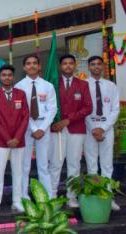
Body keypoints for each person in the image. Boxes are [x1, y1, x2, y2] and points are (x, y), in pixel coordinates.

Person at [14, 55, 57, 201]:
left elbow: (53, 109)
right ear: (24, 67)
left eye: (34, 63)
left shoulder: (48, 86)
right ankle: (23, 196)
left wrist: (42, 128)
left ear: (39, 66)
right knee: (25, 165)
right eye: (28, 63)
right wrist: (33, 128)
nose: (31, 66)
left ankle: (48, 197)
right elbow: (21, 111)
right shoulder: (18, 86)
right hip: (26, 128)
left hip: (44, 127)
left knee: (43, 165)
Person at [0, 64, 29, 213]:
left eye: (9, 75)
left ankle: (17, 201)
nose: (7, 77)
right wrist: (7, 139)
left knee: (18, 172)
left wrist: (17, 137)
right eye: (4, 75)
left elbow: (25, 118)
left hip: (19, 141)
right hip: (1, 141)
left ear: (13, 77)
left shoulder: (21, 94)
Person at [52, 54, 92, 203]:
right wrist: (57, 123)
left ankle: (71, 197)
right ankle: (52, 195)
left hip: (76, 129)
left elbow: (88, 108)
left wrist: (68, 120)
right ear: (60, 66)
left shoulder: (83, 85)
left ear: (75, 66)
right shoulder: (54, 84)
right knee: (56, 163)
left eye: (70, 63)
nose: (67, 66)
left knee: (74, 164)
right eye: (64, 63)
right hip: (57, 130)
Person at [83, 56, 121, 210]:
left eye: (99, 64)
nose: (96, 67)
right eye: (93, 64)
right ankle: (94, 194)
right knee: (91, 165)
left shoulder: (111, 86)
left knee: (107, 165)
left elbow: (115, 109)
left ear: (103, 66)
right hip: (88, 128)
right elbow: (83, 109)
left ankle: (107, 197)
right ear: (88, 67)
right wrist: (93, 128)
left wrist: (103, 128)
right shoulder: (83, 85)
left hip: (106, 129)